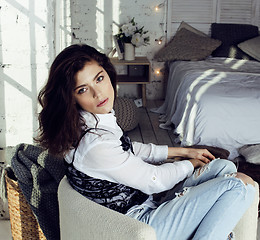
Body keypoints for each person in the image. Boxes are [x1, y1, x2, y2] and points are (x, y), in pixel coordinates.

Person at [36, 44, 256, 240]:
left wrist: (184, 151)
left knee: (223, 166)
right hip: (140, 224)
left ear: (108, 73)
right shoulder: (96, 143)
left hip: (145, 207)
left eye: (99, 78)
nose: (98, 93)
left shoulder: (89, 121)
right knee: (240, 186)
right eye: (83, 89)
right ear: (71, 96)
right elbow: (154, 180)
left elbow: (128, 148)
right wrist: (190, 164)